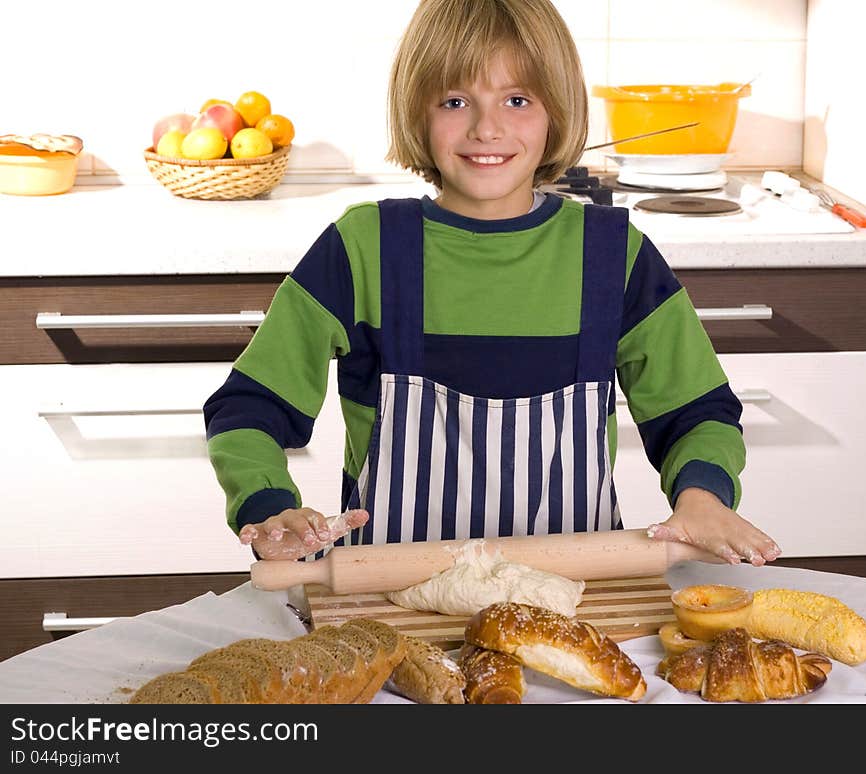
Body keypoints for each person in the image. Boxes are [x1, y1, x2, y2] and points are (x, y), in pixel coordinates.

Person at [203, 0, 781, 569]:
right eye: (455, 101)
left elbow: (696, 413)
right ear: (417, 112)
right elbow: (250, 406)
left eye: (517, 99)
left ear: (557, 111)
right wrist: (269, 505)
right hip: (390, 604)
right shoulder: (363, 249)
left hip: (573, 606)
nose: (487, 128)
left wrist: (703, 499)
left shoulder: (612, 256)